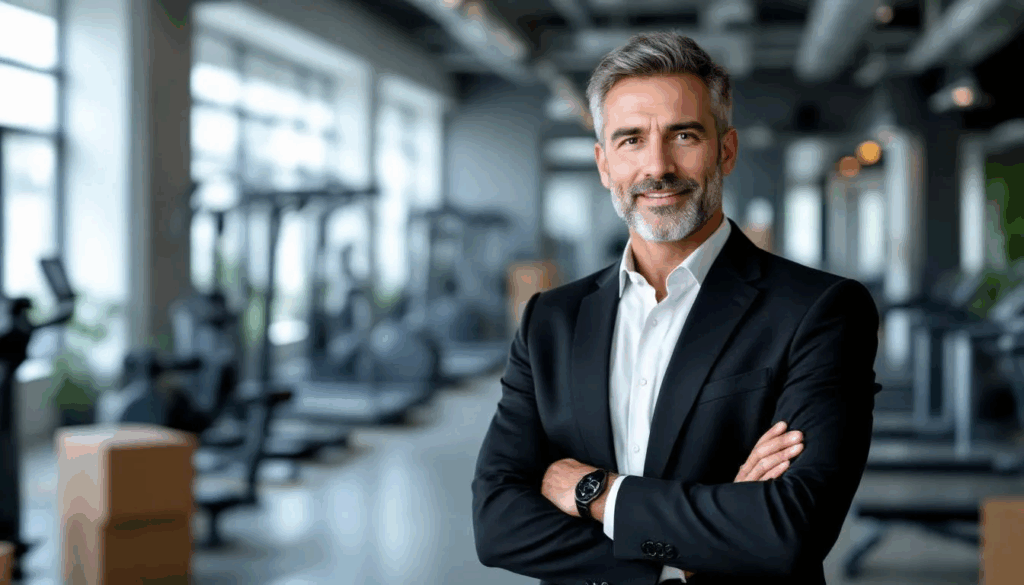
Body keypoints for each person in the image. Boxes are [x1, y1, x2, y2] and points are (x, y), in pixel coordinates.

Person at [472, 32, 881, 585]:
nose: (657, 165)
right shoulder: (551, 320)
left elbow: (791, 528)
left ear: (726, 150)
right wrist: (694, 547)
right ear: (603, 164)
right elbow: (496, 524)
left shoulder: (820, 311)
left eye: (683, 135)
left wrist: (596, 493)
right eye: (631, 140)